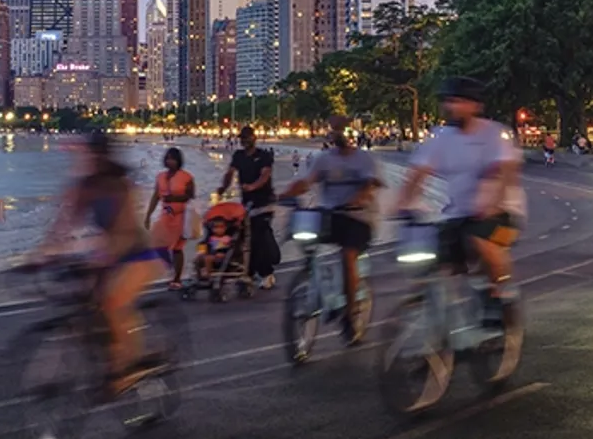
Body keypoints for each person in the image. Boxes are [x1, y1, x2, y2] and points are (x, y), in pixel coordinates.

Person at [34, 131, 163, 397]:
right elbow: (63, 225)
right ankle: (109, 357)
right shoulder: (83, 187)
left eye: (95, 155)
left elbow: (125, 229)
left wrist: (101, 258)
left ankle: (128, 368)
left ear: (104, 156)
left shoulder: (121, 185)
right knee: (87, 309)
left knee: (113, 303)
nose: (89, 160)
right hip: (108, 254)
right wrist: (40, 256)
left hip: (137, 255)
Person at [395, 77, 525, 300]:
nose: (452, 107)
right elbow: (417, 173)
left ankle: (502, 293)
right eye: (449, 101)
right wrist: (401, 204)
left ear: (476, 105)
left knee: (481, 242)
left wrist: (493, 204)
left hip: (503, 213)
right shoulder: (440, 137)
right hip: (458, 214)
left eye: (460, 102)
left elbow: (505, 172)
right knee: (435, 258)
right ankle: (444, 314)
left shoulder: (494, 134)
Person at [282, 114, 383, 343]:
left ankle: (349, 315)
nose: (337, 134)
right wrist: (282, 195)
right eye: (334, 130)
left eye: (341, 130)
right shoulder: (323, 159)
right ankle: (313, 281)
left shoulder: (365, 160)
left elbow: (370, 185)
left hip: (359, 218)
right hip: (330, 216)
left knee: (348, 254)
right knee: (305, 241)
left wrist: (358, 198)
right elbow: (306, 182)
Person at [218, 125, 279, 289]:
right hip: (247, 204)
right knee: (242, 238)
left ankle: (267, 273)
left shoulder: (264, 156)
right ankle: (248, 272)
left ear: (254, 138)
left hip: (264, 203)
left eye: (247, 137)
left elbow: (265, 175)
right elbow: (230, 174)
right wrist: (222, 189)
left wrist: (253, 186)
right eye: (242, 138)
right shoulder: (238, 156)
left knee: (258, 237)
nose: (244, 141)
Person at [144, 146, 195, 290]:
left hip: (181, 216)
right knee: (155, 242)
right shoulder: (160, 176)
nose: (170, 161)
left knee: (177, 248)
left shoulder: (186, 177)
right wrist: (148, 215)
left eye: (173, 159)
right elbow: (155, 196)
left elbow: (191, 195)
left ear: (179, 161)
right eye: (168, 158)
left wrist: (175, 198)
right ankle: (171, 268)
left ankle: (177, 278)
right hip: (165, 215)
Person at [194, 215, 234, 280]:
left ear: (225, 228)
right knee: (198, 258)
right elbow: (205, 245)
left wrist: (223, 253)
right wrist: (201, 252)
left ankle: (208, 276)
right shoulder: (210, 238)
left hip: (222, 257)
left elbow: (229, 248)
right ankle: (199, 276)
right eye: (216, 227)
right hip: (211, 254)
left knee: (208, 258)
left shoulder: (227, 238)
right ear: (212, 229)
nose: (218, 229)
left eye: (221, 227)